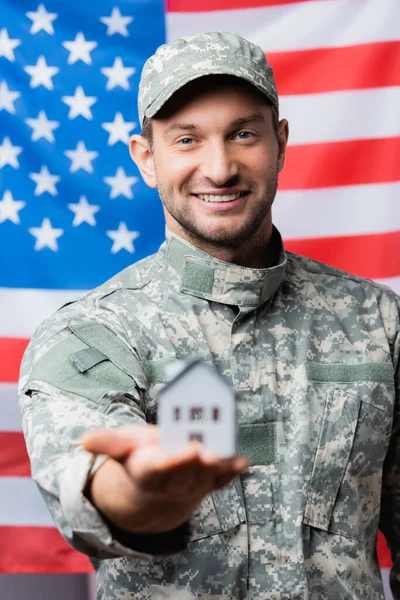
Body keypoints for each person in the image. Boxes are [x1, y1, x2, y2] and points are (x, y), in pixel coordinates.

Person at [19, 32, 400, 600]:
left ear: (281, 141)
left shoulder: (379, 321)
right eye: (187, 140)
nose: (219, 168)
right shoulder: (93, 333)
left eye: (243, 134)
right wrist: (146, 498)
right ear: (147, 159)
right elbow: (85, 480)